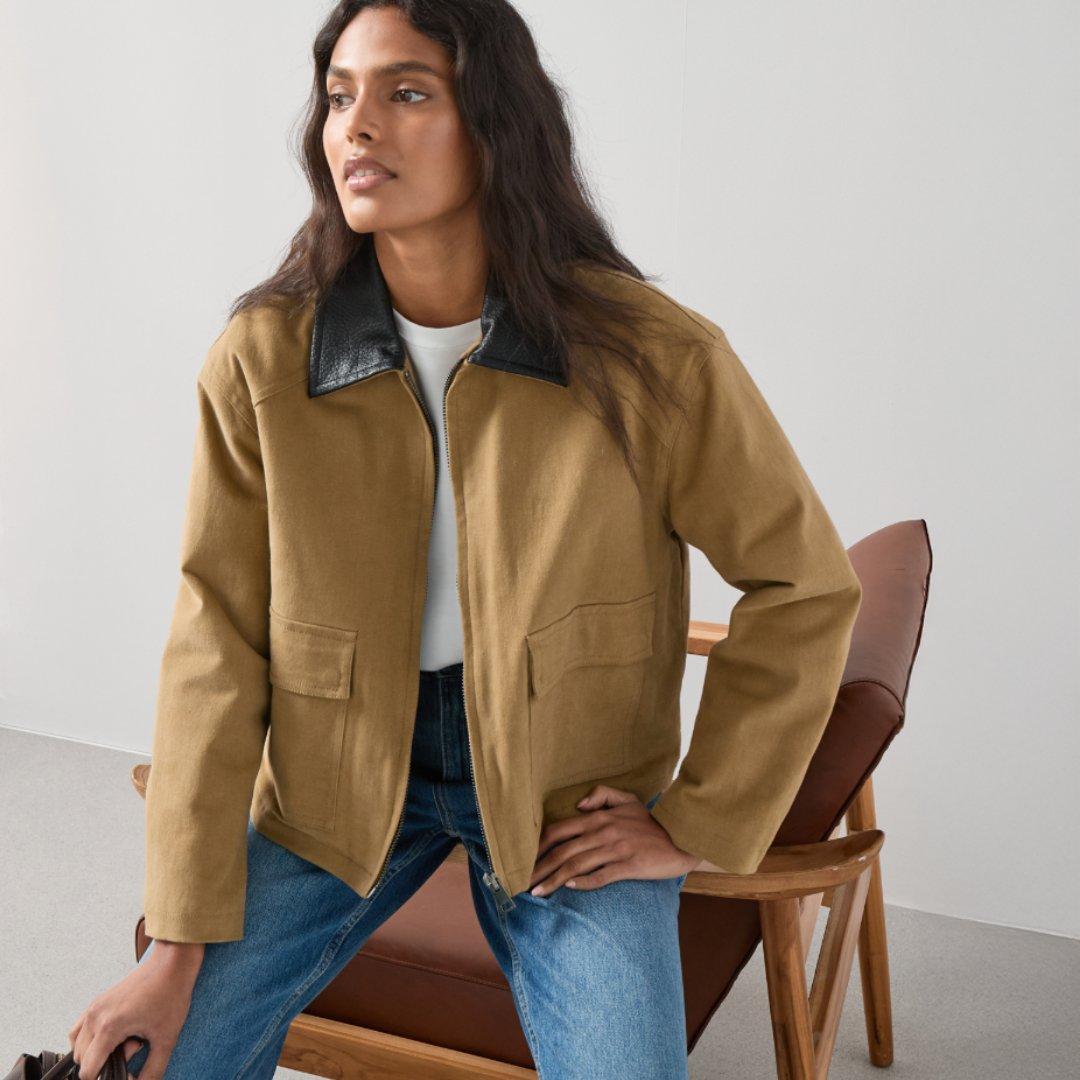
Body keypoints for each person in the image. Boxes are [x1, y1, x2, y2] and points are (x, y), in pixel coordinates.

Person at [66, 1, 863, 1077]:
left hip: (566, 802)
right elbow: (217, 642)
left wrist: (695, 820)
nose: (356, 126)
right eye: (339, 97)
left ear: (494, 122)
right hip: (337, 791)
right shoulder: (262, 361)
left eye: (406, 92)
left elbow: (803, 584)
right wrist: (174, 944)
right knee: (156, 1060)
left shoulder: (651, 358)